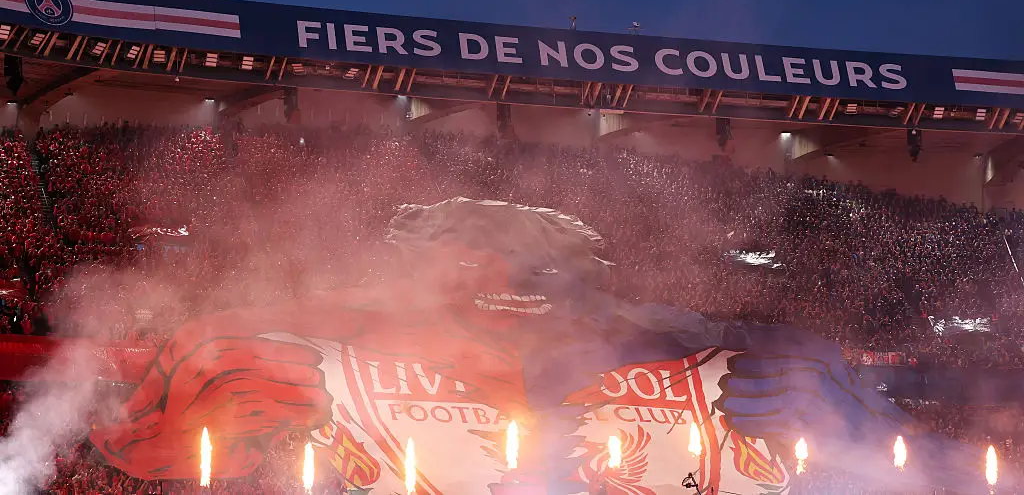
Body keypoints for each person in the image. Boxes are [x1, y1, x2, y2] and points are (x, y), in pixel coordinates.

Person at [89, 198, 996, 494]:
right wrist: (154, 433)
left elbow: (975, 475)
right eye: (467, 270)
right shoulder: (315, 349)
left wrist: (874, 435)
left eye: (533, 273)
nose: (501, 290)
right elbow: (125, 431)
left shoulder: (736, 353)